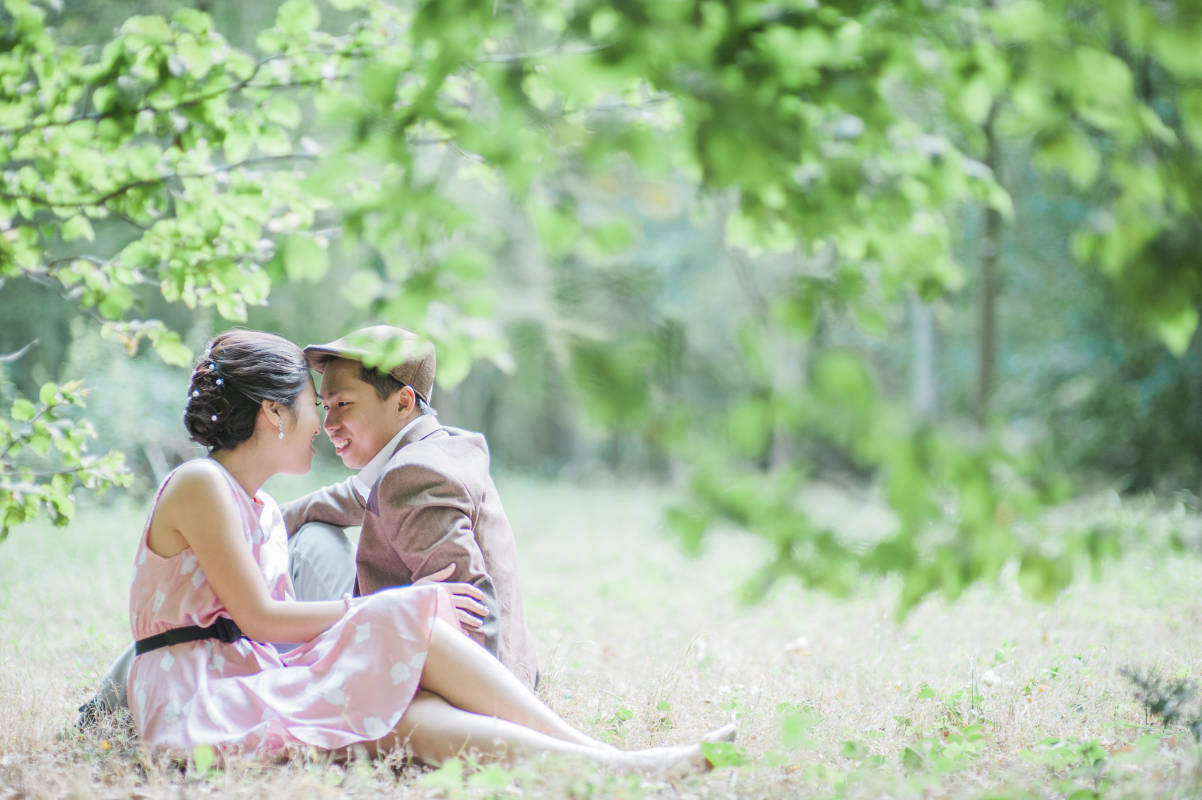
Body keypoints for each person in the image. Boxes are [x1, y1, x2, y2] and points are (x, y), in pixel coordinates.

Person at [125, 329, 733, 768]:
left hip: (250, 674)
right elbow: (253, 619)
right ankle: (614, 765)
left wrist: (405, 614)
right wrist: (396, 608)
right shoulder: (202, 484)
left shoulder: (252, 502)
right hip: (201, 698)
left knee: (403, 714)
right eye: (318, 404)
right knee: (403, 621)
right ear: (272, 414)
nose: (322, 421)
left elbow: (346, 515)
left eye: (337, 404)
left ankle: (608, 764)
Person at [280, 325, 537, 688]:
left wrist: (480, 719)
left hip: (456, 686)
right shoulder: (430, 446)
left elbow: (474, 610)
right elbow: (346, 498)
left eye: (343, 404)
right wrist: (251, 519)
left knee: (309, 543)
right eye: (325, 406)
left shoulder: (415, 473)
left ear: (403, 401)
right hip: (485, 665)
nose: (329, 424)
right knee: (311, 526)